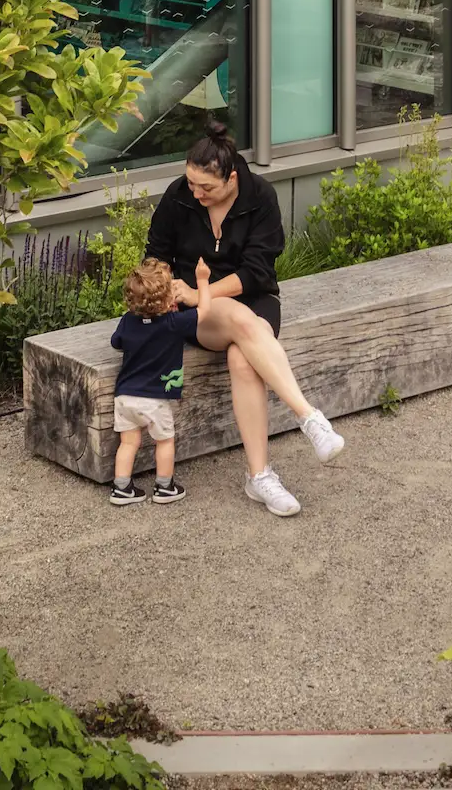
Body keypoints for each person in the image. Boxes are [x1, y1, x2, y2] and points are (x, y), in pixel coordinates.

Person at [143, 118, 344, 516]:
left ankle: (260, 477)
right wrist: (166, 291)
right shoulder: (179, 196)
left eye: (207, 187)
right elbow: (156, 253)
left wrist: (206, 290)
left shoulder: (259, 196)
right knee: (233, 319)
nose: (195, 192)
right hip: (191, 310)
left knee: (242, 358)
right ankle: (309, 416)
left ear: (231, 178)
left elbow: (257, 271)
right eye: (191, 183)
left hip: (254, 298)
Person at [108, 257, 199, 507]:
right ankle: (164, 486)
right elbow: (207, 312)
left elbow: (116, 342)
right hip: (154, 400)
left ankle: (122, 488)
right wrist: (202, 282)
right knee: (165, 440)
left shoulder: (128, 320)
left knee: (128, 442)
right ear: (168, 300)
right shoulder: (173, 324)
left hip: (125, 396)